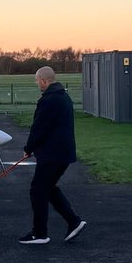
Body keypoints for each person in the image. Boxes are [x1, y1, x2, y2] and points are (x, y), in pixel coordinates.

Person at [19, 66, 86, 245]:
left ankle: (40, 233)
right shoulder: (64, 97)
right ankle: (74, 221)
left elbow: (39, 127)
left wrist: (29, 148)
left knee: (38, 190)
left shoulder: (48, 100)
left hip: (52, 154)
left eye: (37, 80)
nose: (36, 83)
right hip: (63, 154)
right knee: (48, 188)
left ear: (44, 80)